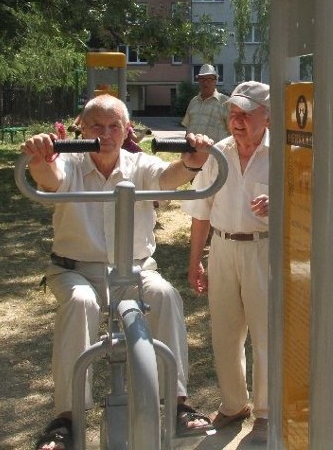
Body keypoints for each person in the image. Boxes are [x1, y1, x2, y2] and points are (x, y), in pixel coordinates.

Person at [21, 94, 215, 450]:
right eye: (97, 126)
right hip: (76, 271)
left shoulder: (139, 164)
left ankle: (177, 404)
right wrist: (38, 158)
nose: (106, 134)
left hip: (135, 269)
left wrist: (193, 162)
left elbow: (168, 177)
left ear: (127, 130)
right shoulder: (70, 161)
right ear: (81, 127)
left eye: (115, 127)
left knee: (165, 294)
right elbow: (49, 179)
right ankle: (66, 418)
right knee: (80, 302)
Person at [182, 81, 271, 443]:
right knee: (225, 331)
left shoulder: (285, 154)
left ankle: (266, 413)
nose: (237, 121)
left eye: (246, 114)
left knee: (265, 333)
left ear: (267, 116)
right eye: (233, 113)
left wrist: (278, 203)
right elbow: (201, 212)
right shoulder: (218, 153)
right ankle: (234, 404)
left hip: (264, 250)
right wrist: (194, 262)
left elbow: (308, 209)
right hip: (221, 248)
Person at [182, 64, 230, 143]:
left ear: (215, 80)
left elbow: (233, 132)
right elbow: (188, 129)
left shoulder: (225, 102)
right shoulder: (193, 101)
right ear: (199, 81)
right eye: (202, 79)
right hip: (193, 152)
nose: (205, 82)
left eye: (209, 79)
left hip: (215, 153)